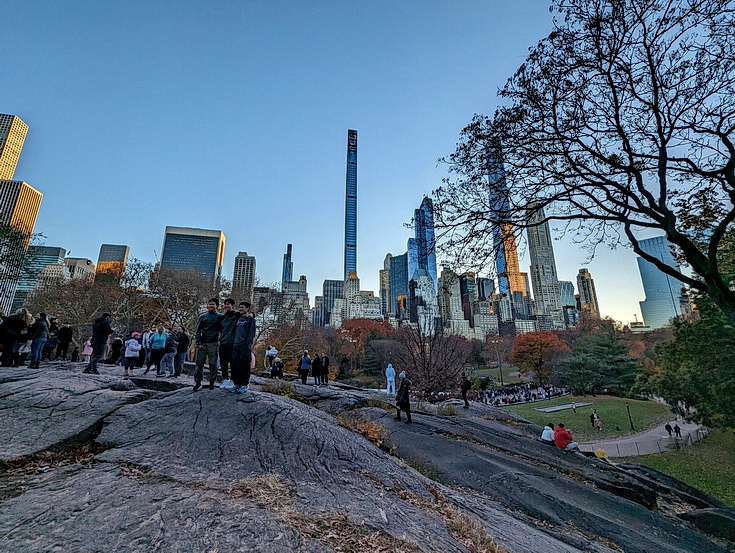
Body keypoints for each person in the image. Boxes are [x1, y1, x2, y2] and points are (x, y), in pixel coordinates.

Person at [193, 298, 222, 391]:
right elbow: (197, 331)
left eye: (213, 304)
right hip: (203, 343)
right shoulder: (202, 317)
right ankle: (198, 382)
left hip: (214, 343)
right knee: (199, 363)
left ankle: (212, 382)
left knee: (213, 364)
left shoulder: (221, 317)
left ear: (217, 306)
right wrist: (198, 342)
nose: (211, 306)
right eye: (209, 304)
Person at [230, 301, 256, 393]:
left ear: (248, 308)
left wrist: (248, 344)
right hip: (235, 345)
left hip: (244, 345)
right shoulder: (238, 318)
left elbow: (251, 333)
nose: (241, 309)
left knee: (244, 365)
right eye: (240, 307)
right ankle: (236, 384)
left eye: (243, 307)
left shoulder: (250, 320)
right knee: (235, 365)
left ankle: (245, 384)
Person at [218, 298, 239, 382]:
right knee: (223, 362)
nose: (227, 305)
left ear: (232, 305)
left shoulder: (236, 315)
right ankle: (225, 379)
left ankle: (233, 380)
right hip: (223, 341)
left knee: (233, 362)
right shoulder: (221, 318)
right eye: (225, 304)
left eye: (228, 304)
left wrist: (251, 314)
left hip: (232, 342)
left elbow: (248, 315)